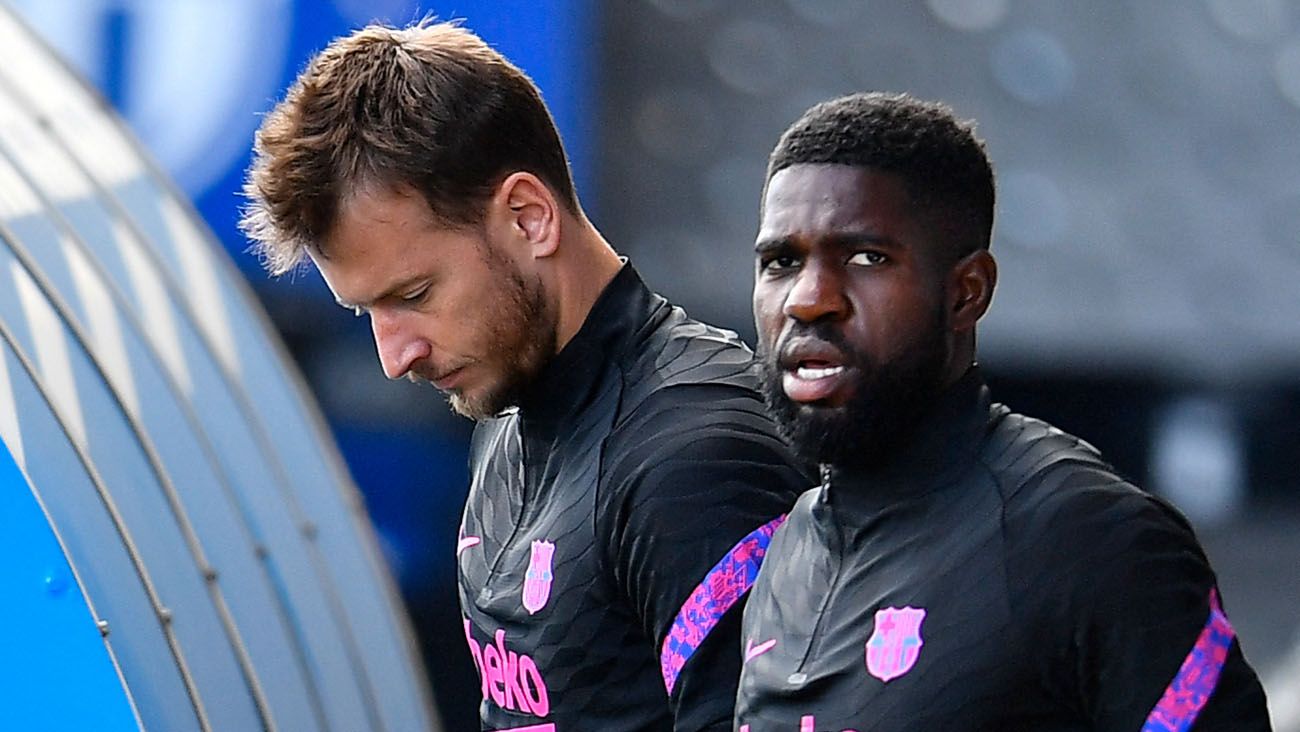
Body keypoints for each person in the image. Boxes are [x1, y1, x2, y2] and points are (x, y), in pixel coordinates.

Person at [240, 20, 809, 732]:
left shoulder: (694, 455)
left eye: (413, 296)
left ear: (528, 216)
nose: (395, 357)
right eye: (367, 314)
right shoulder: (504, 423)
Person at [735, 92, 1272, 731]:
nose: (810, 299)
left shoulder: (1088, 538)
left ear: (967, 292)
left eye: (866, 258)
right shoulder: (783, 553)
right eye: (781, 262)